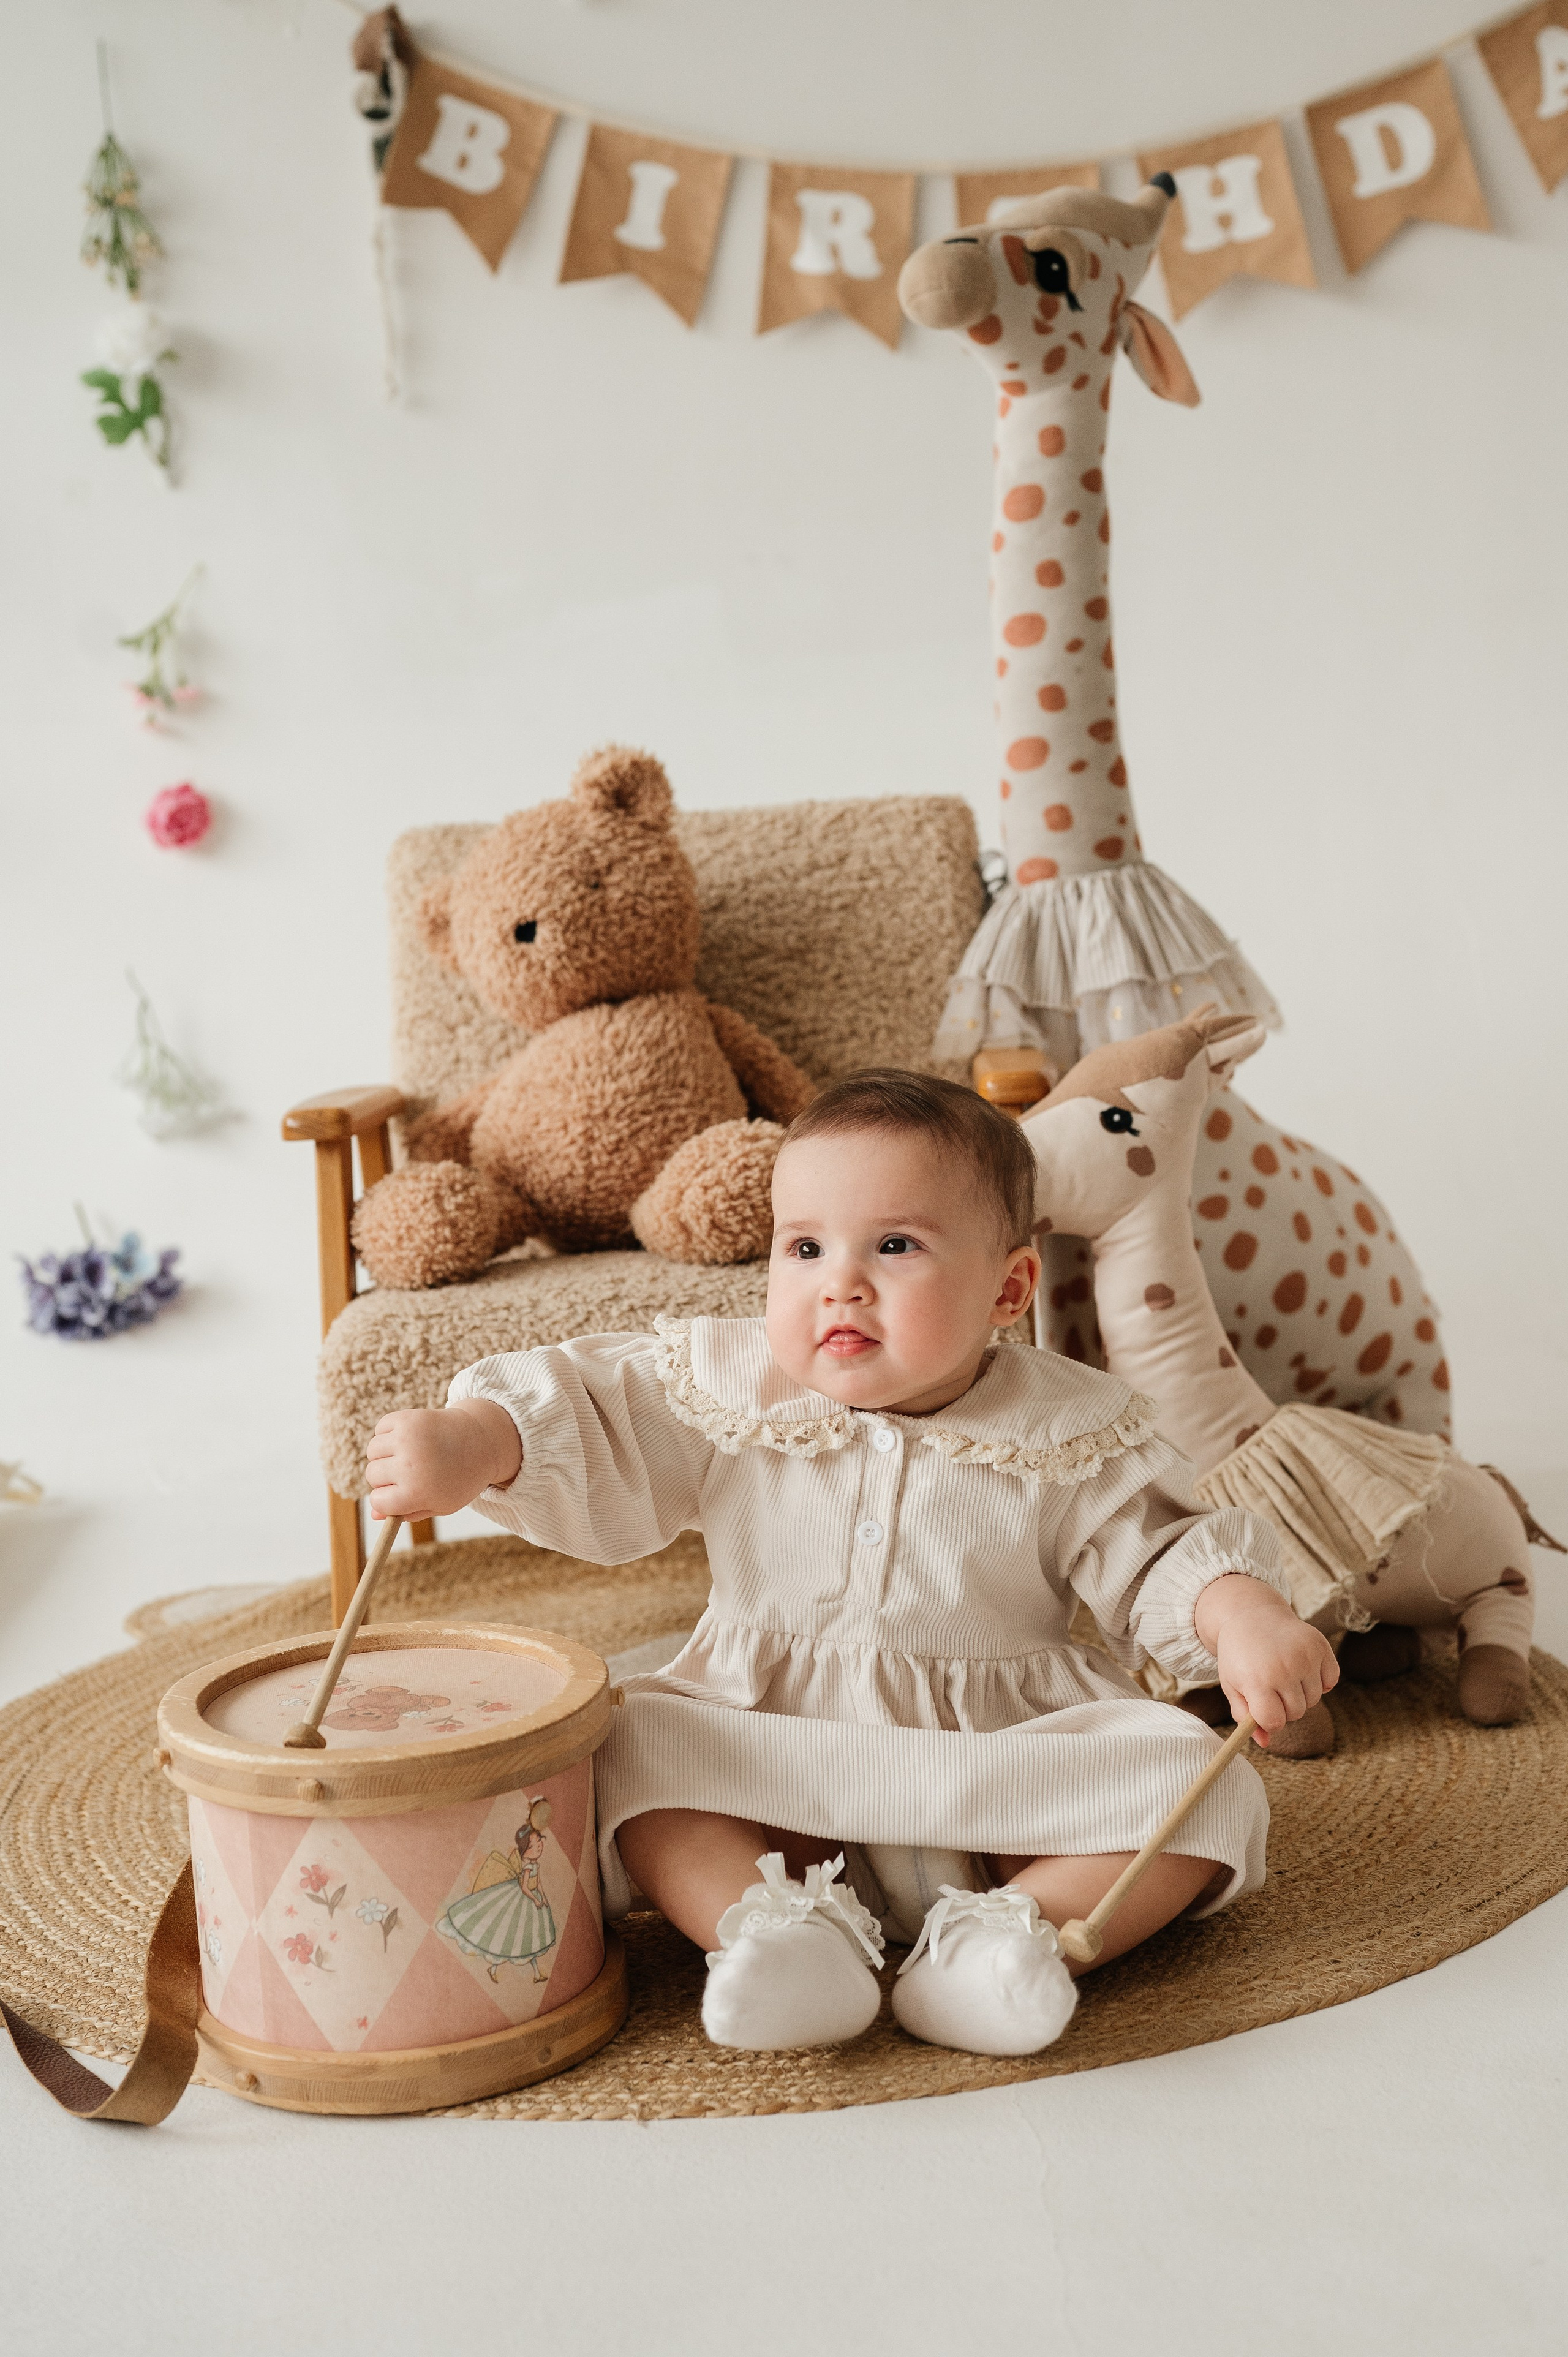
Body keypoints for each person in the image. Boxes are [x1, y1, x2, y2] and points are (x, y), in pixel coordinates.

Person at [367, 1071, 1335, 2058]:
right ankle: (781, 1937)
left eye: (896, 1246)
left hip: (998, 1774)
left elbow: (1164, 1544)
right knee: (628, 1743)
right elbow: (598, 1406)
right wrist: (483, 1438)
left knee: (1198, 1783)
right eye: (805, 1247)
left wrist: (1240, 1613)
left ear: (1007, 1289)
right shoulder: (731, 1387)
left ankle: (1008, 1948)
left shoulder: (1069, 1425)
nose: (841, 1282)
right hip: (775, 1763)